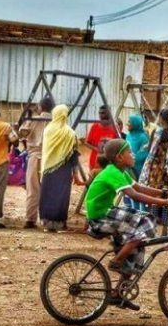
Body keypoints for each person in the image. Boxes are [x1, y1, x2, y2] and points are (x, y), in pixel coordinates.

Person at [84, 139, 168, 311]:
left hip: (107, 212)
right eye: (130, 152)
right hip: (100, 217)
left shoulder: (120, 171)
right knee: (143, 225)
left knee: (138, 245)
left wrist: (167, 193)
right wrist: (165, 202)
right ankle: (117, 260)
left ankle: (118, 293)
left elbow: (140, 188)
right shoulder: (113, 172)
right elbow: (135, 195)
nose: (133, 155)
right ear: (119, 157)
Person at [39, 104, 79, 232]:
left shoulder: (48, 130)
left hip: (48, 168)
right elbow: (73, 155)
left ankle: (46, 222)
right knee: (61, 196)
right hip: (63, 170)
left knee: (47, 194)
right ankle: (59, 223)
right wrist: (76, 173)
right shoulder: (70, 133)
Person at [139, 107, 168, 226]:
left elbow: (150, 149)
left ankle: (154, 216)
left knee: (154, 190)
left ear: (162, 119)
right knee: (167, 190)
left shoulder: (156, 132)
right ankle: (167, 217)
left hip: (155, 166)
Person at [18, 97, 54, 229]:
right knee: (49, 190)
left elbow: (21, 134)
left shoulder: (33, 119)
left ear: (40, 107)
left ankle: (30, 219)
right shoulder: (55, 121)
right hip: (50, 159)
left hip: (34, 157)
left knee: (33, 189)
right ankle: (47, 219)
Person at [85, 105, 118, 170]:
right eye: (99, 113)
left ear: (109, 114)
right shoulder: (94, 127)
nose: (100, 115)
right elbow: (86, 143)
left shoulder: (115, 127)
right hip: (95, 161)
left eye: (103, 113)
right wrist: (96, 149)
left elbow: (118, 144)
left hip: (109, 162)